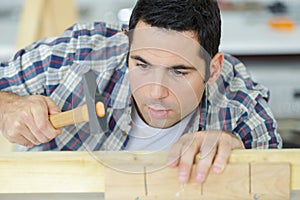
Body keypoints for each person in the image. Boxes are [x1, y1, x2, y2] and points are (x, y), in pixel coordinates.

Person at [0, 0, 281, 184]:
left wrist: (236, 150)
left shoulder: (237, 100)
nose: (155, 92)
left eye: (179, 71)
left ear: (213, 69)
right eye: (141, 64)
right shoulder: (78, 54)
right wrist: (8, 106)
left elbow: (274, 173)